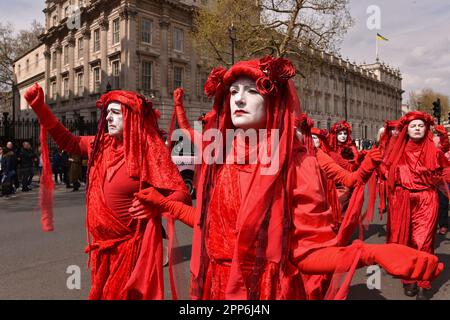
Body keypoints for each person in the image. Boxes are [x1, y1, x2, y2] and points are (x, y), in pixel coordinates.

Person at [135, 56, 443, 300]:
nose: (239, 99)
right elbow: (209, 227)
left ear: (273, 100)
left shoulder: (300, 164)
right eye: (233, 92)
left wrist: (371, 252)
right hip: (215, 287)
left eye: (252, 91)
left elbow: (308, 253)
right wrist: (162, 203)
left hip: (267, 290)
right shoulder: (219, 158)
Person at [24, 83, 190, 300]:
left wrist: (157, 205)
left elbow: (182, 195)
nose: (108, 118)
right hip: (103, 252)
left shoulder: (149, 150)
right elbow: (68, 141)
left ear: (130, 116)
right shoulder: (99, 145)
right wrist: (41, 108)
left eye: (115, 113)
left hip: (133, 252)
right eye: (107, 113)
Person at [384, 111, 448, 299]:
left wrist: (437, 178)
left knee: (423, 242)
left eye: (421, 125)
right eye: (413, 126)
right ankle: (409, 279)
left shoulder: (434, 151)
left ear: (426, 128)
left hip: (427, 200)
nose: (417, 128)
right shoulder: (397, 150)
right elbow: (385, 170)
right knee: (405, 241)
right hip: (402, 200)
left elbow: (446, 171)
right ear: (407, 129)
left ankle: (423, 282)